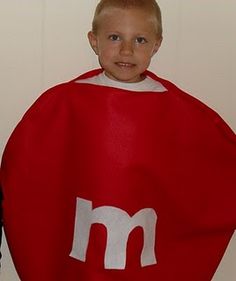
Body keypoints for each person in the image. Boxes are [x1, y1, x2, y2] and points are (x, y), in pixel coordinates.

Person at [0, 0, 235, 280]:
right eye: (114, 37)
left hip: (144, 244)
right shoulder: (66, 103)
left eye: (140, 39)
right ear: (94, 41)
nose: (126, 50)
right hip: (83, 241)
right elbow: (27, 169)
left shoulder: (178, 109)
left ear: (156, 45)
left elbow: (214, 162)